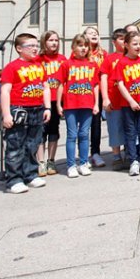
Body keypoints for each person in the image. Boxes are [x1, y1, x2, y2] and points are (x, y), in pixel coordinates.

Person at [0, 33, 52, 194]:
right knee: (16, 145)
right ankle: (14, 179)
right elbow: (5, 91)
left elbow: (45, 88)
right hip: (19, 109)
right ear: (19, 48)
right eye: (31, 46)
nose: (35, 49)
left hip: (37, 109)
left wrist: (48, 107)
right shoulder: (12, 67)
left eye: (37, 46)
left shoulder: (38, 65)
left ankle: (30, 174)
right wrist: (7, 114)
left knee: (33, 144)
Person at [56, 34, 99, 178]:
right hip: (71, 104)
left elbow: (95, 86)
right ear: (73, 47)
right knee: (72, 135)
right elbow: (61, 84)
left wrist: (96, 104)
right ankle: (71, 165)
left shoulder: (92, 65)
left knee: (84, 135)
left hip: (87, 104)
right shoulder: (67, 64)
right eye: (80, 45)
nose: (83, 48)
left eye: (86, 46)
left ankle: (83, 163)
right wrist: (58, 103)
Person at [113, 31, 140, 177]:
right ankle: (133, 161)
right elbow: (120, 84)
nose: (138, 46)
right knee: (130, 132)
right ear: (126, 45)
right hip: (127, 104)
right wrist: (130, 100)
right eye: (134, 44)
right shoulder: (122, 63)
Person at [37, 31, 67, 177]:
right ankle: (41, 162)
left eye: (56, 40)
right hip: (42, 100)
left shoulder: (62, 59)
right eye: (50, 40)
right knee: (41, 131)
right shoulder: (38, 59)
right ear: (44, 42)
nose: (54, 43)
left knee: (54, 130)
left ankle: (51, 160)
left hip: (57, 100)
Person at [100, 28, 127, 170]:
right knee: (115, 128)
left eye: (126, 39)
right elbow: (103, 78)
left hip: (129, 101)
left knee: (129, 128)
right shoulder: (109, 58)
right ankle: (116, 156)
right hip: (114, 100)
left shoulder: (132, 57)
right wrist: (105, 98)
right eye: (121, 39)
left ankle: (129, 154)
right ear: (114, 42)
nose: (124, 42)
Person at [83, 26, 108, 167]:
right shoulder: (81, 52)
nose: (94, 35)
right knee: (82, 126)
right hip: (83, 92)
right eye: (90, 33)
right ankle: (83, 155)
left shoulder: (103, 54)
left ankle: (96, 153)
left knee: (96, 124)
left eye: (96, 33)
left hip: (98, 93)